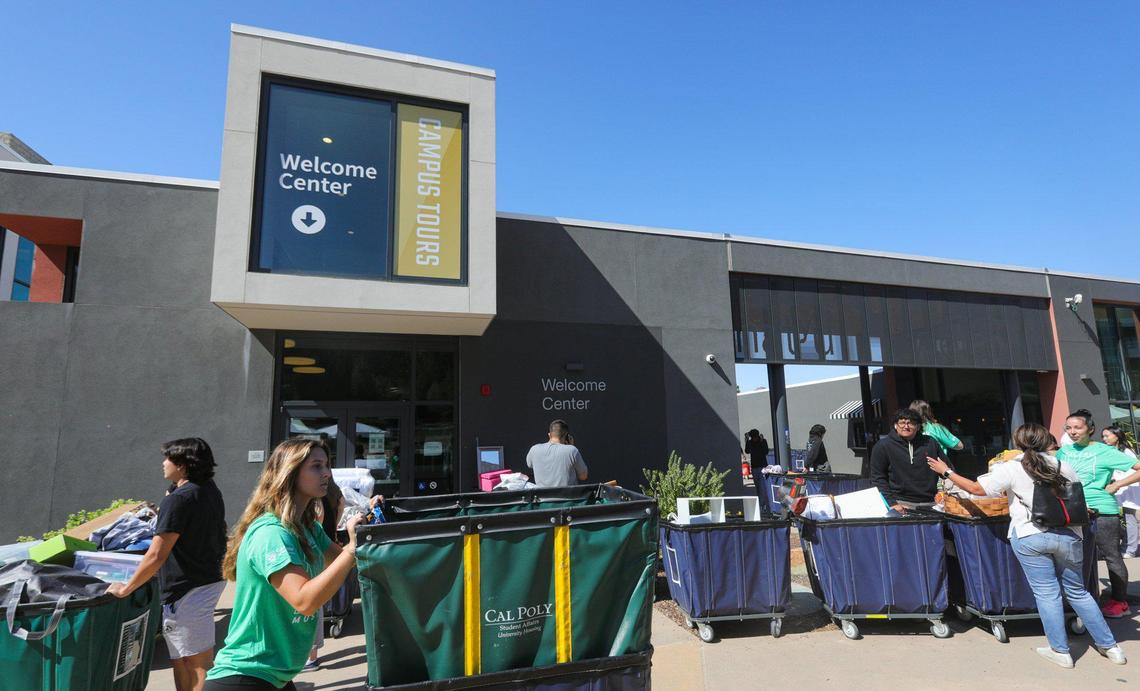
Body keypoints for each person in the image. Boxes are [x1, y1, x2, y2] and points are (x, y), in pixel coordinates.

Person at [928, 424, 1126, 668]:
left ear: (1018, 442)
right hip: (1069, 535)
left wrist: (946, 471)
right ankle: (1111, 647)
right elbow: (1076, 497)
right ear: (1047, 442)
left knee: (1047, 594)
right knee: (1079, 592)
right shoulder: (1063, 465)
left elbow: (977, 490)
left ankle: (1060, 651)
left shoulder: (1011, 467)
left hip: (1030, 534)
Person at [204, 439, 368, 690]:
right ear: (289, 472)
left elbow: (342, 561)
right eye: (316, 466)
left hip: (276, 676)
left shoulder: (307, 527)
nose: (326, 473)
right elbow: (304, 601)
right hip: (245, 677)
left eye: (326, 465)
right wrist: (351, 548)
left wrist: (368, 544)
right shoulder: (272, 533)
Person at [107, 438, 227, 691]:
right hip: (205, 581)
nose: (163, 463)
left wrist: (126, 588)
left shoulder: (179, 499)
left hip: (187, 590)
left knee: (196, 662)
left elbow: (156, 555)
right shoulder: (206, 488)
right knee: (182, 658)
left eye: (168, 459)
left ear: (182, 465)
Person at [1056, 409, 1140, 619]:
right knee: (1079, 557)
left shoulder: (1104, 451)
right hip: (1073, 510)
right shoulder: (1064, 452)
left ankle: (1120, 602)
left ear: (1090, 429)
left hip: (1102, 510)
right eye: (1069, 428)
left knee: (1111, 556)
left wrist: (1118, 484)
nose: (1073, 432)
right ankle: (1086, 598)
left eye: (1078, 427)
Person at [869, 408, 947, 510]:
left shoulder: (930, 443)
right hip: (900, 503)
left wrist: (943, 493)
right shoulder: (883, 446)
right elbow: (878, 478)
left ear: (918, 426)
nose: (906, 426)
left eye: (911, 423)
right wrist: (891, 503)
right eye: (902, 423)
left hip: (932, 503)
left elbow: (947, 470)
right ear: (895, 425)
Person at [304, 481, 345, 672]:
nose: (324, 472)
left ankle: (311, 657)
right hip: (322, 542)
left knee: (311, 604)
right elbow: (341, 503)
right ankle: (310, 656)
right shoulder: (327, 486)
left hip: (315, 547)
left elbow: (318, 514)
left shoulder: (313, 497)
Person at [1102, 423, 1140, 559]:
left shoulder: (1126, 452)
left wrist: (1117, 482)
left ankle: (1130, 549)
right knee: (1118, 519)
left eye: (1107, 435)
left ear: (1117, 436)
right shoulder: (1110, 451)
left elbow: (1132, 472)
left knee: (1129, 518)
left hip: (1127, 489)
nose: (1104, 439)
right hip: (1117, 489)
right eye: (1103, 436)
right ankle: (1125, 545)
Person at [526, 419, 589, 487]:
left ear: (549, 435)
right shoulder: (572, 450)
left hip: (542, 497)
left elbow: (530, 465)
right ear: (567, 436)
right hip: (568, 497)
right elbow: (583, 476)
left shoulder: (534, 449)